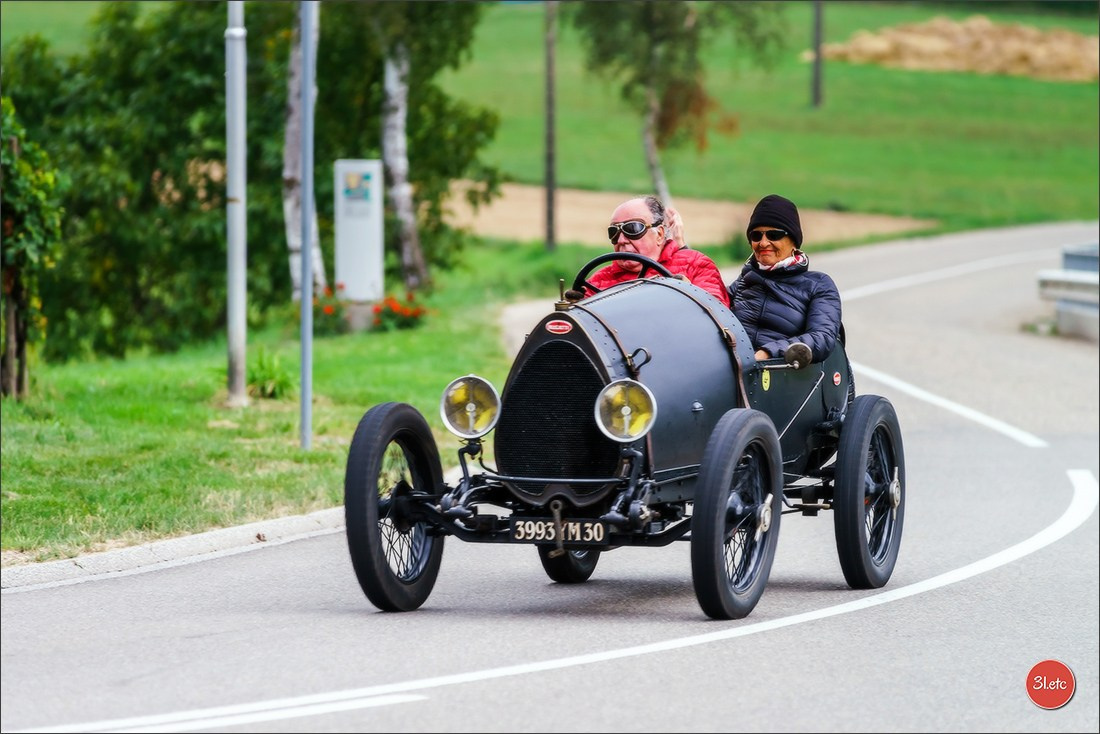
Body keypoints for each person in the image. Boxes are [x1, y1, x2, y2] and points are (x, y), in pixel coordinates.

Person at [728, 194, 842, 363]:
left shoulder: (819, 285)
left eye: (774, 235)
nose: (763, 243)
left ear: (793, 241)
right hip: (734, 369)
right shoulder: (744, 280)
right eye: (756, 236)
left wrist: (767, 353)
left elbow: (822, 337)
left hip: (781, 372)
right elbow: (712, 304)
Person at [585, 196, 730, 306]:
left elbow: (716, 315)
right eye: (614, 232)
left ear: (659, 234)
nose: (621, 240)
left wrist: (688, 295)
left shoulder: (695, 265)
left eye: (633, 228)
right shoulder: (598, 281)